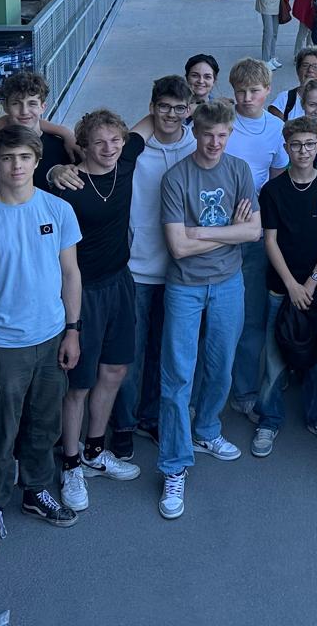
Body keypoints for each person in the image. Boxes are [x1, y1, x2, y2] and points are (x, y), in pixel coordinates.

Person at [0, 126, 83, 556]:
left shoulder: (58, 209)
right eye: (8, 158)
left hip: (51, 337)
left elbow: (70, 273)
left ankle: (35, 490)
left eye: (25, 157)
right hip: (2, 345)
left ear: (37, 161)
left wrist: (72, 329)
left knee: (44, 424)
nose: (17, 166)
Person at [156, 100, 261, 520]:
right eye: (207, 134)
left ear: (230, 133)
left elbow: (253, 231)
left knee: (221, 367)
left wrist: (199, 231)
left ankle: (206, 430)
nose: (215, 142)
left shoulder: (238, 170)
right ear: (194, 132)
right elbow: (178, 247)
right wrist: (229, 231)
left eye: (222, 135)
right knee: (178, 376)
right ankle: (174, 464)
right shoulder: (176, 178)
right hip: (185, 286)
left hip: (228, 283)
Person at [45, 111, 145, 512]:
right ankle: (71, 465)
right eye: (100, 142)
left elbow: (152, 118)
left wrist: (188, 104)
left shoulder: (126, 161)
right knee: (79, 383)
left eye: (115, 140)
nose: (109, 148)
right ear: (82, 145)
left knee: (115, 370)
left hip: (120, 282)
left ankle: (94, 450)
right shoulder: (66, 185)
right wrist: (52, 170)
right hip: (81, 291)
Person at [113, 76, 196, 461]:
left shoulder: (196, 148)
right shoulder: (134, 150)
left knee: (164, 353)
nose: (171, 114)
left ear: (189, 110)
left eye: (179, 108)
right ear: (151, 108)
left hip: (180, 272)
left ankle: (151, 416)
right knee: (130, 354)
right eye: (164, 106)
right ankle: (123, 423)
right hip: (137, 269)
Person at [253, 116, 317, 457]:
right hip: (281, 289)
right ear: (286, 147)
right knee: (274, 358)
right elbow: (270, 241)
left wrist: (311, 282)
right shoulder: (273, 191)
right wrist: (292, 285)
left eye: (309, 144)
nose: (303, 151)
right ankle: (269, 419)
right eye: (296, 145)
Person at [222, 58, 290, 418]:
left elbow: (276, 184)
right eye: (240, 91)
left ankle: (245, 391)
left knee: (251, 319)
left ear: (267, 91)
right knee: (213, 318)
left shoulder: (277, 129)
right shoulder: (223, 123)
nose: (247, 98)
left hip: (254, 234)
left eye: (254, 91)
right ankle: (203, 394)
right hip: (217, 232)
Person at [0, 70, 73, 193]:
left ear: (43, 107)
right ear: (5, 107)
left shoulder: (63, 148)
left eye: (32, 103)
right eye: (16, 103)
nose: (24, 111)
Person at [270, 47, 317, 121]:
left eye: (316, 67)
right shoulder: (284, 100)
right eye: (305, 65)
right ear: (298, 70)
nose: (310, 70)